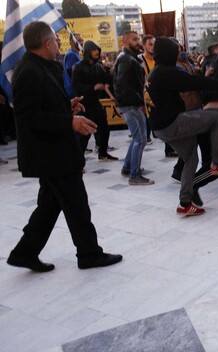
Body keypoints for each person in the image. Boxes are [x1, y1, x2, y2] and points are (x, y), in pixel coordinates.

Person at [7, 21, 122, 272]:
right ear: (47, 43)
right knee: (76, 204)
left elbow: (43, 106)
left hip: (53, 152)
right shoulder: (27, 71)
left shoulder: (42, 67)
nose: (59, 44)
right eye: (56, 40)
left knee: (49, 206)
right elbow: (30, 118)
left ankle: (24, 253)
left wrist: (68, 106)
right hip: (50, 153)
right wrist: (70, 121)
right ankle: (89, 254)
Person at [147, 37, 218, 216]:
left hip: (160, 127)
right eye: (175, 51)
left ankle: (185, 203)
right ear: (169, 53)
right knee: (217, 118)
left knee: (191, 158)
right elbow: (195, 83)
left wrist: (201, 77)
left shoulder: (155, 73)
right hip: (172, 123)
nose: (178, 54)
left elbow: (190, 81)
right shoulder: (166, 73)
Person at [113, 31, 154, 185]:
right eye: (135, 39)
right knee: (140, 139)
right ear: (125, 42)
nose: (138, 42)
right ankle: (134, 176)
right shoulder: (125, 59)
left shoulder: (130, 58)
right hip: (130, 105)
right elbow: (124, 87)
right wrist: (139, 102)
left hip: (132, 103)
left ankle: (128, 168)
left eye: (138, 39)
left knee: (138, 138)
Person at [72, 41, 118, 161]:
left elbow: (107, 79)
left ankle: (103, 154)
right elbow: (76, 86)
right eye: (94, 50)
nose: (97, 52)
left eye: (98, 50)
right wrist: (93, 87)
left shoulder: (98, 67)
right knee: (84, 134)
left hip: (96, 103)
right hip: (85, 105)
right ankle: (78, 161)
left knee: (104, 129)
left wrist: (112, 72)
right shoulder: (78, 67)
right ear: (88, 52)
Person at [63, 32, 83, 98]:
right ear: (71, 42)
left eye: (82, 40)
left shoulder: (76, 54)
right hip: (74, 94)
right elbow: (72, 74)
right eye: (79, 40)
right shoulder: (71, 55)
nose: (82, 43)